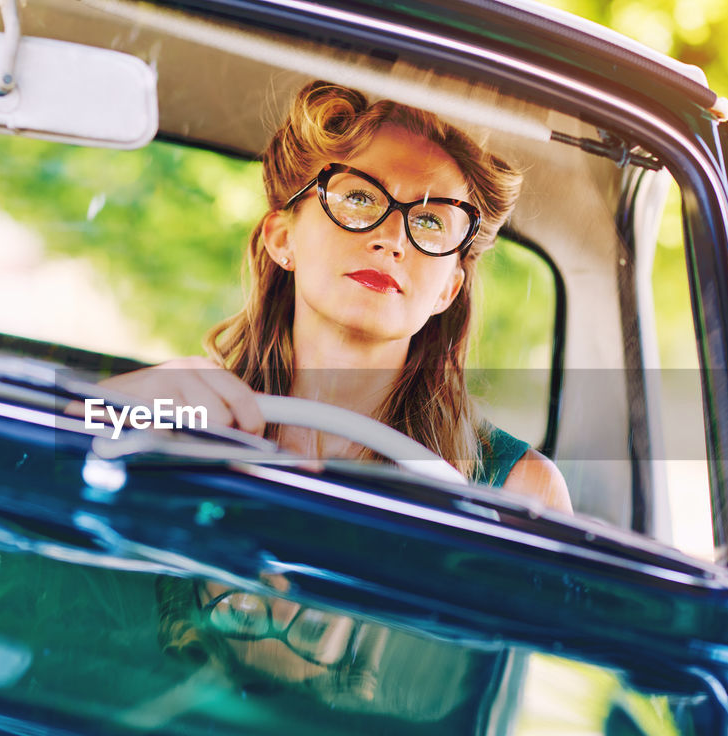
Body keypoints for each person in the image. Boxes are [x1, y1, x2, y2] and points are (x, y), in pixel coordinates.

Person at [103, 81, 571, 512]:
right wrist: (103, 413)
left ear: (447, 290)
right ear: (283, 239)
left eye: (430, 222)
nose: (393, 240)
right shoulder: (174, 415)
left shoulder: (520, 491)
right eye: (360, 198)